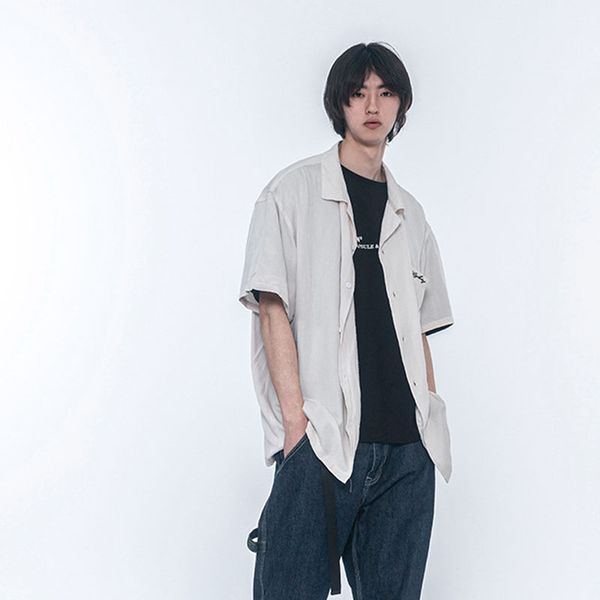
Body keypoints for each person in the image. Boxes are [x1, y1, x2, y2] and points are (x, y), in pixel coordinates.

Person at [238, 41, 455, 600]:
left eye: (385, 93)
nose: (372, 105)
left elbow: (420, 329)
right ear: (340, 104)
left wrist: (427, 420)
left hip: (406, 454)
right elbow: (272, 309)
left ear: (401, 104)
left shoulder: (413, 214)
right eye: (358, 93)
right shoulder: (289, 193)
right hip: (324, 441)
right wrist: (296, 429)